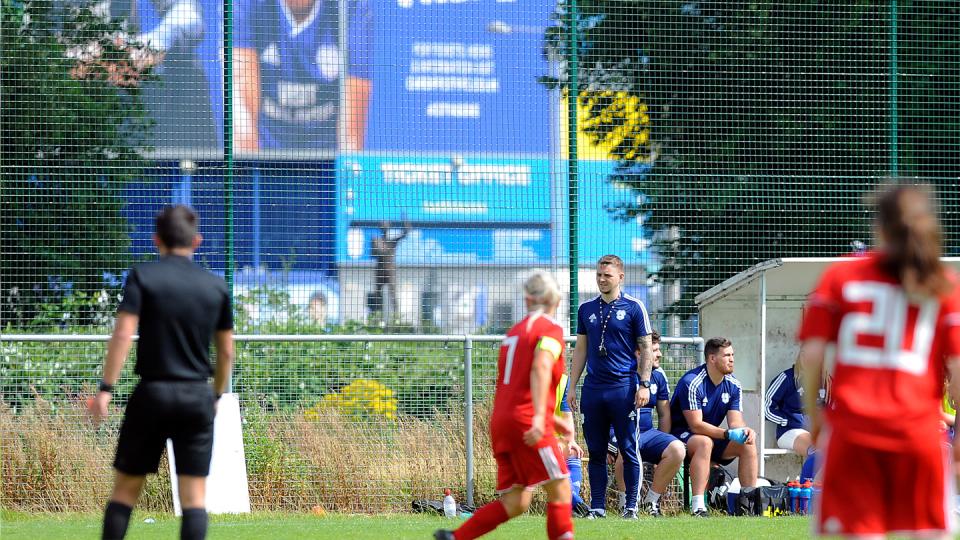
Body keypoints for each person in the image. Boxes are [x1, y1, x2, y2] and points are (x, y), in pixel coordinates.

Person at [798, 184, 960, 537]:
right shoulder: (943, 286)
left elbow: (812, 356)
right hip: (917, 436)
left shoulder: (842, 276)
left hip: (854, 434)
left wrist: (816, 419)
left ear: (880, 226)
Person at [89, 206, 235, 540]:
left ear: (156, 240)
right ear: (197, 241)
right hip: (197, 396)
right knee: (194, 499)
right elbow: (226, 350)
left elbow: (123, 334)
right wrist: (215, 393)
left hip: (152, 394)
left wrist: (105, 389)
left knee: (125, 492)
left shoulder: (143, 276)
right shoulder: (216, 286)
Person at [434, 270, 574, 540]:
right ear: (556, 301)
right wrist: (537, 419)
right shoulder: (550, 330)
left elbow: (516, 386)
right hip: (526, 420)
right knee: (561, 488)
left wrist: (553, 420)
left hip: (502, 422)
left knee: (517, 500)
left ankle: (455, 538)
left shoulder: (513, 334)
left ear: (526, 300)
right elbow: (541, 367)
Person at [566, 254, 654, 519]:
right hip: (594, 389)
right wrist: (572, 387)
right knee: (595, 450)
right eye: (599, 275)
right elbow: (580, 348)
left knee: (628, 448)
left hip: (623, 388)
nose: (602, 280)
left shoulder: (635, 307)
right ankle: (597, 507)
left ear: (620, 277)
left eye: (608, 275)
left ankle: (631, 507)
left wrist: (644, 384)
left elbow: (646, 347)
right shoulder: (586, 309)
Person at [234, 0, 372, 151]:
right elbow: (242, 122)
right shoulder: (243, 4)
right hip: (267, 158)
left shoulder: (352, 5)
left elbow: (351, 137)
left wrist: (345, 170)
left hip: (327, 162)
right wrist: (252, 170)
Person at [670, 337, 758, 517]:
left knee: (748, 444)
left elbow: (735, 421)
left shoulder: (733, 384)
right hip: (681, 435)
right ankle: (698, 506)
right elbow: (695, 425)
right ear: (712, 359)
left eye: (732, 354)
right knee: (704, 443)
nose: (732, 359)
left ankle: (749, 504)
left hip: (712, 436)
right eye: (726, 355)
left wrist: (743, 431)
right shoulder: (692, 382)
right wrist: (726, 433)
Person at [370, 220, 410, 322]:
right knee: (377, 294)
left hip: (390, 271)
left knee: (393, 295)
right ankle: (377, 318)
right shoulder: (376, 240)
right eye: (383, 225)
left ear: (389, 227)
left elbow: (406, 232)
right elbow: (374, 253)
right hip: (380, 271)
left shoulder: (392, 241)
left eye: (386, 225)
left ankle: (397, 319)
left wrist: (405, 220)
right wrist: (384, 250)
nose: (384, 227)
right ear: (380, 228)